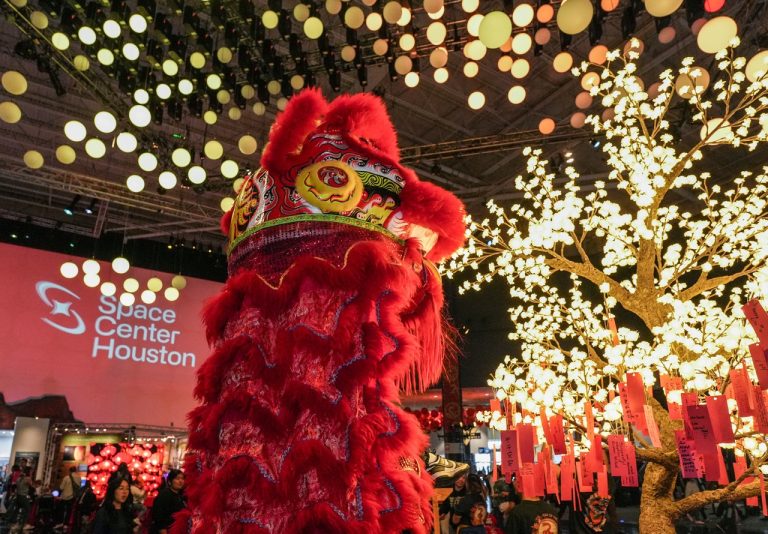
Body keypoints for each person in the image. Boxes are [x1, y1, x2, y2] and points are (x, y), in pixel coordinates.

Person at [150, 469, 186, 534]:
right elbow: (159, 516)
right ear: (169, 482)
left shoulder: (181, 495)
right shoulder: (165, 495)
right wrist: (163, 530)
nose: (181, 481)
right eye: (177, 479)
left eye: (182, 478)